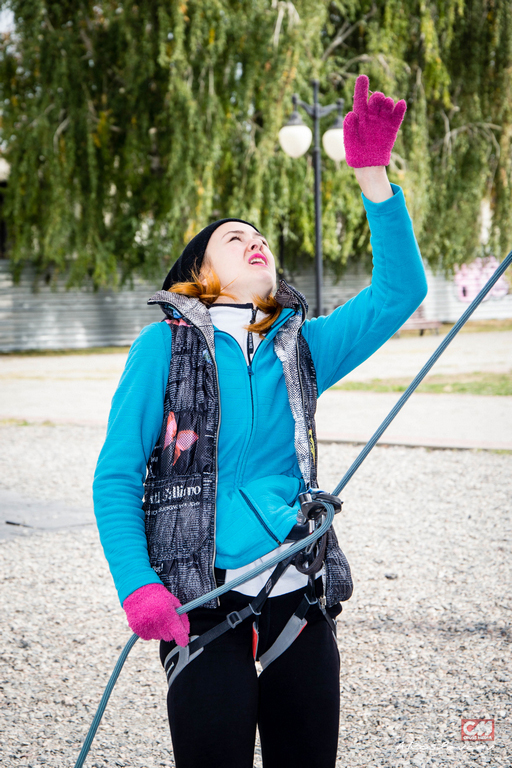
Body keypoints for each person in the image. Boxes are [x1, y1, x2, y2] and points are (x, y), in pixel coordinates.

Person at [93, 75, 428, 768]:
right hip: (200, 601)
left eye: (260, 238)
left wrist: (371, 174)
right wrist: (137, 585)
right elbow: (117, 476)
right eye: (234, 238)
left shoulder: (302, 348)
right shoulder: (164, 348)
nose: (255, 243)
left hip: (295, 593)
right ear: (198, 275)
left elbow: (403, 292)